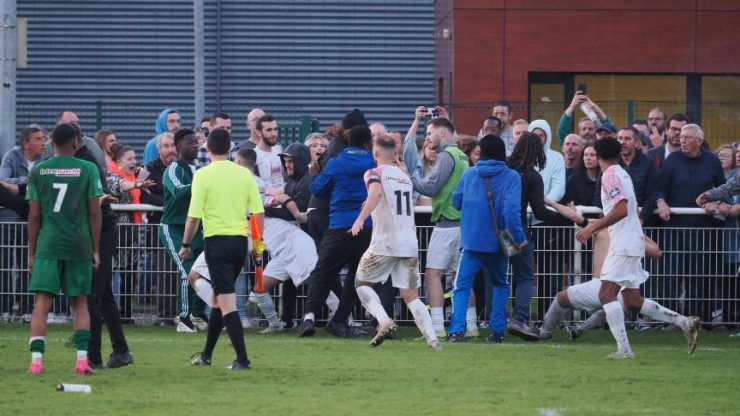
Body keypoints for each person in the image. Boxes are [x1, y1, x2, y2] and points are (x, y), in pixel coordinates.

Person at [536, 199, 701, 353]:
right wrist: (639, 232)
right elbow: (657, 252)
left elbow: (573, 216)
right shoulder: (630, 235)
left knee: (561, 298)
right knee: (624, 303)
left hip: (601, 284)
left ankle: (545, 332)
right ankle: (682, 321)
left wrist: (548, 200)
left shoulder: (601, 227)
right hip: (622, 290)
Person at [574, 137, 669, 359]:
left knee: (606, 294)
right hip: (629, 241)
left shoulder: (610, 175)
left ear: (597, 156)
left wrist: (592, 227)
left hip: (624, 244)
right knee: (632, 300)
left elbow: (621, 209)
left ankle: (624, 350)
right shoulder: (622, 172)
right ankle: (685, 322)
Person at [183, 127, 264, 370]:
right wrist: (258, 244)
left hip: (217, 243)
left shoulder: (202, 175)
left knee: (227, 303)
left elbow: (193, 217)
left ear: (207, 147)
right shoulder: (244, 174)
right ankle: (206, 355)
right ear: (230, 148)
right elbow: (258, 213)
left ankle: (242, 360)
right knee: (219, 299)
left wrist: (185, 245)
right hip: (239, 243)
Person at [25, 122, 102, 375]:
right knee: (80, 303)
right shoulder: (88, 168)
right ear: (77, 142)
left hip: (48, 243)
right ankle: (81, 361)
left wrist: (31, 252)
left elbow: (34, 216)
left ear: (52, 143)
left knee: (41, 304)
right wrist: (96, 249)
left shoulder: (39, 170)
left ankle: (36, 363)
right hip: (78, 243)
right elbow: (94, 212)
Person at [351, 134, 441, 350]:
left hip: (385, 241)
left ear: (375, 153)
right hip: (409, 242)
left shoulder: (374, 173)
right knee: (411, 295)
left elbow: (376, 192)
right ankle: (433, 339)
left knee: (361, 284)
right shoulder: (404, 177)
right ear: (396, 155)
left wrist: (360, 219)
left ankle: (383, 321)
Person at [298, 125, 375, 338]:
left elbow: (318, 188)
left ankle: (309, 316)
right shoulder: (374, 163)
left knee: (323, 272)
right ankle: (340, 319)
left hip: (339, 224)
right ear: (369, 143)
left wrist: (314, 173)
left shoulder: (336, 163)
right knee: (356, 275)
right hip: (366, 225)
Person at [447, 135, 526, 343]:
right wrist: (518, 238)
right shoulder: (511, 177)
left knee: (461, 286)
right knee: (500, 284)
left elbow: (456, 201)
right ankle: (496, 331)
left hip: (471, 242)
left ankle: (456, 330)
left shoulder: (470, 174)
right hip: (498, 243)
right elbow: (511, 212)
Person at [406, 116, 473, 338]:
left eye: (430, 133)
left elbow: (431, 187)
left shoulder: (446, 155)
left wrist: (410, 177)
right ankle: (471, 326)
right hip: (462, 224)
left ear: (442, 134)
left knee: (433, 274)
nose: (429, 139)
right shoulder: (462, 155)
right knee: (460, 277)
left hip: (446, 226)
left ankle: (437, 327)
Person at [656, 124, 725, 322]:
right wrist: (661, 202)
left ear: (699, 141)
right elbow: (660, 188)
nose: (682, 140)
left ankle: (697, 320)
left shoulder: (712, 160)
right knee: (672, 275)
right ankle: (670, 320)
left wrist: (715, 200)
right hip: (674, 228)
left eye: (687, 137)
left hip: (702, 228)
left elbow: (722, 188)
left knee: (700, 276)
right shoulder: (672, 160)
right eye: (681, 137)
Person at [504, 132, 565, 341]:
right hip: (516, 232)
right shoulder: (532, 176)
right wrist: (565, 218)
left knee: (496, 276)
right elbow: (539, 211)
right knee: (524, 276)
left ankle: (495, 323)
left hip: (494, 229)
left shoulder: (504, 169)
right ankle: (519, 319)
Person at [160, 129, 209, 332]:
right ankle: (183, 318)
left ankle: (198, 314)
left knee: (203, 271)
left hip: (197, 227)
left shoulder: (199, 169)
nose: (195, 146)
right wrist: (203, 182)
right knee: (186, 270)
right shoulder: (173, 169)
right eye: (190, 143)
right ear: (178, 147)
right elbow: (179, 192)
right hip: (174, 228)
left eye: (196, 142)